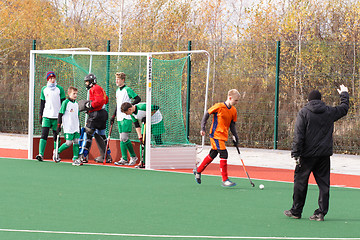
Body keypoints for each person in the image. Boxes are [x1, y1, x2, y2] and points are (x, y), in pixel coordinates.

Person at [284, 84, 349, 221]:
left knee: (300, 183)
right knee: (324, 184)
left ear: (308, 100)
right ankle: (321, 213)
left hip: (307, 155)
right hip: (324, 155)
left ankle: (296, 211)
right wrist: (344, 94)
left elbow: (299, 135)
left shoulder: (304, 112)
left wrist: (295, 153)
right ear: (321, 100)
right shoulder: (329, 111)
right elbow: (344, 109)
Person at [193, 89, 241, 187]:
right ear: (230, 98)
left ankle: (198, 170)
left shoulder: (233, 110)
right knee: (224, 153)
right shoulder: (219, 106)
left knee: (213, 153)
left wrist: (235, 136)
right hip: (215, 135)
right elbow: (207, 113)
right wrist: (203, 127)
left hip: (223, 136)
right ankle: (225, 179)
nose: (237, 103)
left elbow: (232, 125)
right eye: (236, 100)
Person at [78, 73, 111, 163]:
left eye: (87, 82)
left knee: (87, 133)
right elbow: (106, 100)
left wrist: (90, 105)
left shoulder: (95, 88)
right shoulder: (100, 88)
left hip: (96, 115)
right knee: (101, 135)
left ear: (92, 82)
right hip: (103, 114)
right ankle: (107, 156)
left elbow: (99, 101)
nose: (86, 84)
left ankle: (83, 156)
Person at [110, 72, 141, 166]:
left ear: (123, 80)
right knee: (121, 139)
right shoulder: (117, 91)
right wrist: (113, 115)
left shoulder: (127, 89)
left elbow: (138, 98)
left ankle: (133, 156)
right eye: (116, 79)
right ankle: (124, 158)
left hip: (126, 117)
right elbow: (118, 104)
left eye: (118, 79)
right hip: (119, 117)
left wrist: (130, 107)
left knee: (124, 138)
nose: (116, 81)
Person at [121, 102, 165, 167]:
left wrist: (148, 116)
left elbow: (156, 107)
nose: (127, 114)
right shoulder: (132, 114)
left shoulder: (142, 107)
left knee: (158, 140)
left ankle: (162, 159)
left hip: (156, 121)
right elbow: (136, 125)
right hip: (146, 123)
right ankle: (142, 162)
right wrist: (140, 136)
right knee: (143, 142)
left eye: (126, 113)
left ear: (130, 109)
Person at [36, 71, 66, 161]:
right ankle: (40, 154)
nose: (52, 80)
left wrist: (63, 117)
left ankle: (56, 153)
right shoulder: (44, 89)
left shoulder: (59, 89)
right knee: (43, 135)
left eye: (53, 78)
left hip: (56, 117)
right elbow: (42, 103)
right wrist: (40, 115)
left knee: (56, 136)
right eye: (50, 78)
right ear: (48, 79)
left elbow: (63, 103)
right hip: (46, 116)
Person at [53, 86, 82, 166]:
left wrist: (79, 126)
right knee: (68, 143)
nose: (75, 95)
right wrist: (58, 125)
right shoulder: (65, 103)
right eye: (74, 93)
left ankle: (75, 159)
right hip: (68, 127)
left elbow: (77, 116)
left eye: (76, 94)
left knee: (76, 142)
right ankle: (57, 151)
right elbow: (60, 114)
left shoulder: (76, 104)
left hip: (75, 127)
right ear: (69, 94)